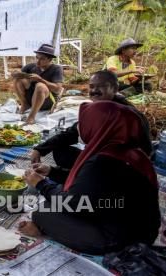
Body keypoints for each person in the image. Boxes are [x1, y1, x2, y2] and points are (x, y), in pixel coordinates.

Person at [21, 101, 160, 255]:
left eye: (83, 123)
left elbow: (74, 203)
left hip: (119, 240)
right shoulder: (128, 151)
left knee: (43, 213)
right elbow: (92, 185)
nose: (78, 127)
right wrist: (52, 172)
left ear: (99, 126)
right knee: (56, 195)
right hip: (135, 227)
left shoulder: (103, 161)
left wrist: (41, 184)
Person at [30, 70, 152, 170]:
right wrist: (40, 149)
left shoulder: (127, 114)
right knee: (59, 149)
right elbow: (72, 133)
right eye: (92, 87)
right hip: (99, 158)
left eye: (101, 86)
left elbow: (144, 149)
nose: (94, 91)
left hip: (121, 164)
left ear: (115, 89)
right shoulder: (96, 110)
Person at [14, 44, 63, 124]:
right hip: (32, 97)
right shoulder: (31, 66)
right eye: (37, 57)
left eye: (42, 59)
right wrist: (16, 74)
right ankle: (24, 104)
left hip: (47, 100)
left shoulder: (56, 69)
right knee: (18, 79)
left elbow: (58, 89)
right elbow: (17, 73)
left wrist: (40, 79)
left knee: (40, 86)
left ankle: (31, 117)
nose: (38, 61)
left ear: (49, 59)